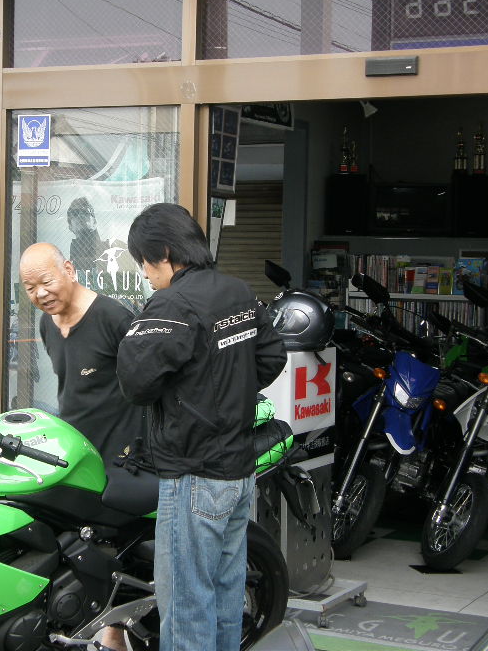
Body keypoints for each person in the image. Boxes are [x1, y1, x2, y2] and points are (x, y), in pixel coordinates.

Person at [116, 203, 286, 651]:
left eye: (144, 261)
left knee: (187, 606)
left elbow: (135, 382)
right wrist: (229, 393)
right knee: (226, 599)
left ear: (164, 253)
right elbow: (272, 356)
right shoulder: (237, 291)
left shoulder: (171, 304)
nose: (145, 273)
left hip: (193, 475)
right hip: (239, 473)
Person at [19, 242, 142, 651]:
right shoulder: (47, 324)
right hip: (76, 453)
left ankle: (116, 632)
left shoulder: (113, 317)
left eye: (46, 281)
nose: (40, 294)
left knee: (118, 545)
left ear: (70, 270)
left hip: (122, 455)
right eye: (29, 288)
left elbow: (148, 381)